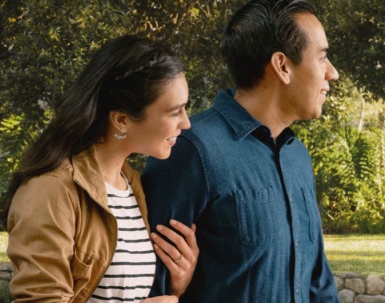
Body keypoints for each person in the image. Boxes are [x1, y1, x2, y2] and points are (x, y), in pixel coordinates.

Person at [140, 0, 340, 301]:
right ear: (282, 66)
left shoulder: (297, 156)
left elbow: (317, 281)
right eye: (322, 58)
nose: (332, 74)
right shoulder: (189, 150)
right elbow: (152, 286)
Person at [6, 35, 198, 303]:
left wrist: (176, 284)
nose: (186, 123)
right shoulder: (51, 189)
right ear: (121, 120)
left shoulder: (132, 186)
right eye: (175, 112)